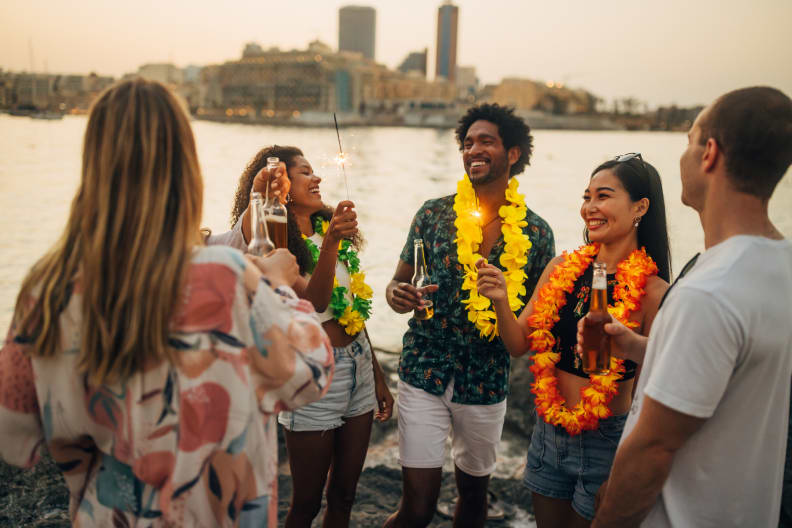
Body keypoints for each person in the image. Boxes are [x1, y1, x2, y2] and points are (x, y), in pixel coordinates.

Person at [0, 79, 335, 526]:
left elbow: (13, 434)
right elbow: (312, 373)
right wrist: (273, 286)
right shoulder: (229, 279)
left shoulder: (48, 290)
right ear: (185, 170)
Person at [589, 87, 792, 528]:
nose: (682, 156)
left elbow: (653, 449)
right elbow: (731, 367)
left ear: (710, 154)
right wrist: (645, 347)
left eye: (689, 140)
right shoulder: (781, 266)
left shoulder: (709, 292)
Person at [384, 103, 556, 528]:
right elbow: (395, 283)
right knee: (417, 508)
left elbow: (530, 327)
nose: (472, 150)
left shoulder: (536, 234)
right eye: (467, 143)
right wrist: (396, 295)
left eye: (485, 141)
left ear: (513, 154)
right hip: (424, 368)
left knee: (475, 498)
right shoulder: (432, 214)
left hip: (486, 378)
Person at [476, 154, 670, 527]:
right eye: (587, 196)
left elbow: (655, 389)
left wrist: (624, 470)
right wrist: (500, 299)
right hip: (548, 434)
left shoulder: (653, 292)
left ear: (639, 207)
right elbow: (518, 344)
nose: (590, 208)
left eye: (603, 196)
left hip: (608, 443)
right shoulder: (560, 270)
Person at [213, 145, 394, 528]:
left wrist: (376, 374)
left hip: (358, 367)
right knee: (307, 503)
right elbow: (313, 302)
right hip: (313, 373)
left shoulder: (332, 230)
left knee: (345, 496)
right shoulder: (273, 238)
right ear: (284, 187)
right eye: (306, 173)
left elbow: (352, 309)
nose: (318, 179)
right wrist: (266, 199)